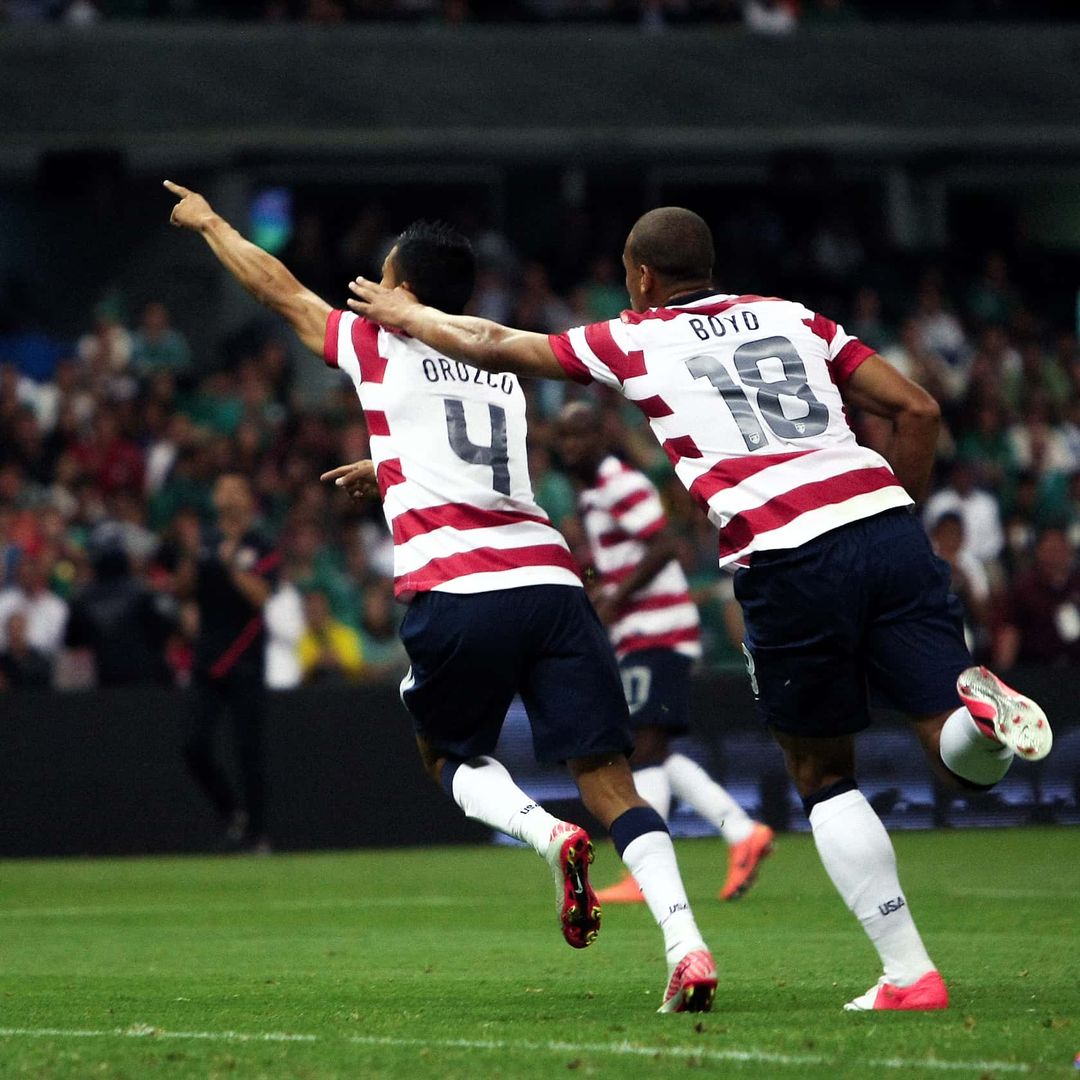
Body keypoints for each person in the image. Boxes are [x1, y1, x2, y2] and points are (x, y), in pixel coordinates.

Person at [346, 205, 1055, 1013]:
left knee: (823, 773)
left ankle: (910, 974)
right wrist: (895, 512)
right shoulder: (796, 317)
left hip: (790, 554)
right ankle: (980, 716)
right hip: (884, 528)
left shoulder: (635, 336)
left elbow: (495, 344)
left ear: (642, 275)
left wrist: (408, 315)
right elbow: (919, 409)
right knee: (954, 751)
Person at [164, 180, 717, 1014]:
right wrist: (387, 468)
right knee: (611, 777)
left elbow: (280, 292)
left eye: (384, 276)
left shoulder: (379, 345)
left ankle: (547, 833)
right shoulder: (500, 369)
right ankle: (687, 946)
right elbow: (459, 450)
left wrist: (209, 222)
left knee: (444, 753)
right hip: (549, 581)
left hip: (459, 586)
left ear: (402, 286)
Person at [556, 400, 775, 903]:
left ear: (600, 435)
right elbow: (629, 554)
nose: (571, 447)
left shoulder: (618, 481)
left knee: (643, 745)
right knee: (653, 747)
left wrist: (615, 596)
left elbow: (665, 544)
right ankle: (742, 831)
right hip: (642, 628)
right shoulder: (594, 492)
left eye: (580, 435)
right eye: (564, 438)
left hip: (657, 625)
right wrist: (598, 586)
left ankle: (644, 871)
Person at [176, 472, 279, 854]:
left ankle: (258, 834)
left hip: (246, 656)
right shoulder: (204, 539)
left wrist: (233, 565)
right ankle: (230, 811)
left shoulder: (260, 543)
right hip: (208, 656)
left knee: (248, 750)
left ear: (246, 497)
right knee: (193, 743)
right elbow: (184, 589)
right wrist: (190, 555)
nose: (225, 494)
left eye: (234, 487)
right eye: (220, 487)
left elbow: (262, 596)